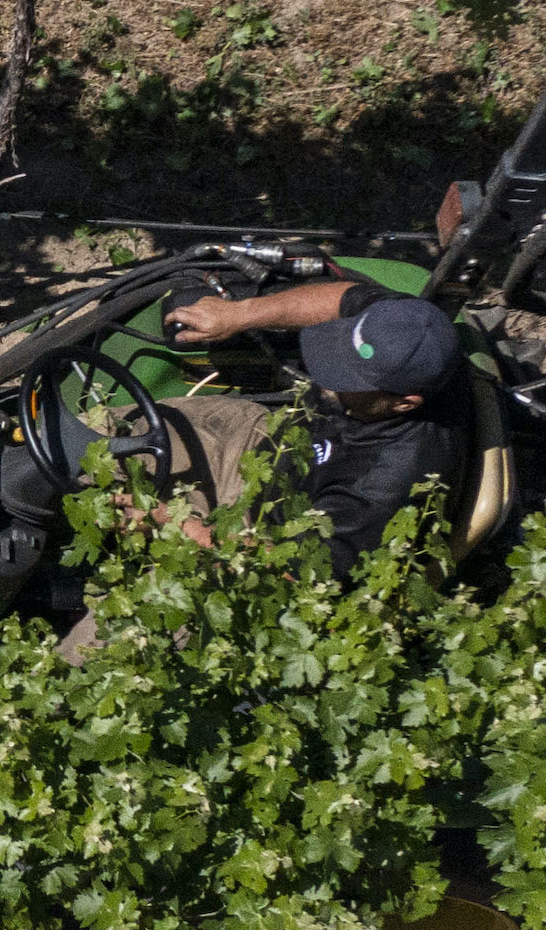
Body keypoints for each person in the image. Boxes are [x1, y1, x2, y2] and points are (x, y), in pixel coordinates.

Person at [58, 278, 472, 657]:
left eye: (349, 380)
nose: (324, 379)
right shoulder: (406, 330)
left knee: (104, 648)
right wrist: (240, 313)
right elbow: (343, 298)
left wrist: (176, 524)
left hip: (266, 548)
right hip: (265, 443)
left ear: (404, 403)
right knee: (92, 436)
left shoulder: (388, 484)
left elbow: (296, 574)